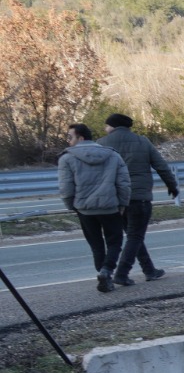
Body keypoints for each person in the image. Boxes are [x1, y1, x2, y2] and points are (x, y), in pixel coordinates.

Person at [99, 113, 178, 284]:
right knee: (135, 236)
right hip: (139, 197)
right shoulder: (142, 141)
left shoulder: (101, 144)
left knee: (134, 236)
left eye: (106, 126)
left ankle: (149, 270)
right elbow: (162, 167)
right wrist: (172, 186)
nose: (105, 129)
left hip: (114, 199)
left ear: (112, 126)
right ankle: (122, 273)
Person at [58, 123, 130, 293]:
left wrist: (72, 206)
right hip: (110, 207)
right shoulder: (112, 155)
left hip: (85, 210)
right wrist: (122, 204)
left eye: (70, 137)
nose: (68, 140)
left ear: (80, 138)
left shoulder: (66, 158)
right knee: (115, 242)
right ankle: (107, 271)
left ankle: (103, 273)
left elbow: (66, 188)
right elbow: (124, 183)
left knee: (96, 244)